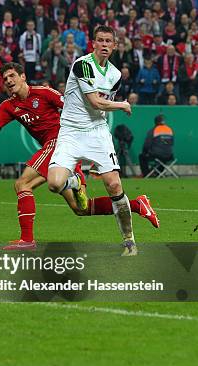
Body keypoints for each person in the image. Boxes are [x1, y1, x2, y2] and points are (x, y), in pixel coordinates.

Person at [0, 61, 158, 251]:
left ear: (23, 77)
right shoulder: (9, 106)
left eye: (12, 76)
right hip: (59, 156)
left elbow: (74, 108)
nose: (8, 81)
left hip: (61, 143)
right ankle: (137, 204)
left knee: (22, 184)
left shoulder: (45, 93)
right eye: (5, 78)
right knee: (80, 209)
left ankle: (27, 239)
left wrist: (93, 142)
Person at [46, 26, 140, 256]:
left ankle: (129, 240)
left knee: (115, 185)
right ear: (93, 43)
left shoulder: (115, 75)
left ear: (115, 45)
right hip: (70, 131)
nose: (105, 44)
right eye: (101, 40)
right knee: (55, 184)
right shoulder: (82, 65)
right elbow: (96, 102)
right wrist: (122, 105)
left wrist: (114, 104)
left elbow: (103, 105)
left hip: (97, 131)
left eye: (109, 41)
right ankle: (75, 183)